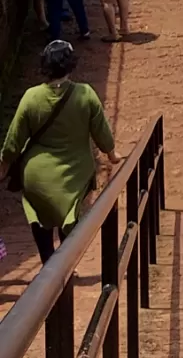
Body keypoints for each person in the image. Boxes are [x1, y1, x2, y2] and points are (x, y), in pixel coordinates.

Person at [0, 40, 119, 262]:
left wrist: (4, 167)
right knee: (70, 215)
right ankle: (65, 263)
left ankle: (47, 261)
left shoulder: (31, 97)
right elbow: (102, 135)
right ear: (71, 65)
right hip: (73, 175)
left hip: (36, 177)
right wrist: (112, 155)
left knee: (39, 218)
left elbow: (13, 142)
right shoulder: (85, 94)